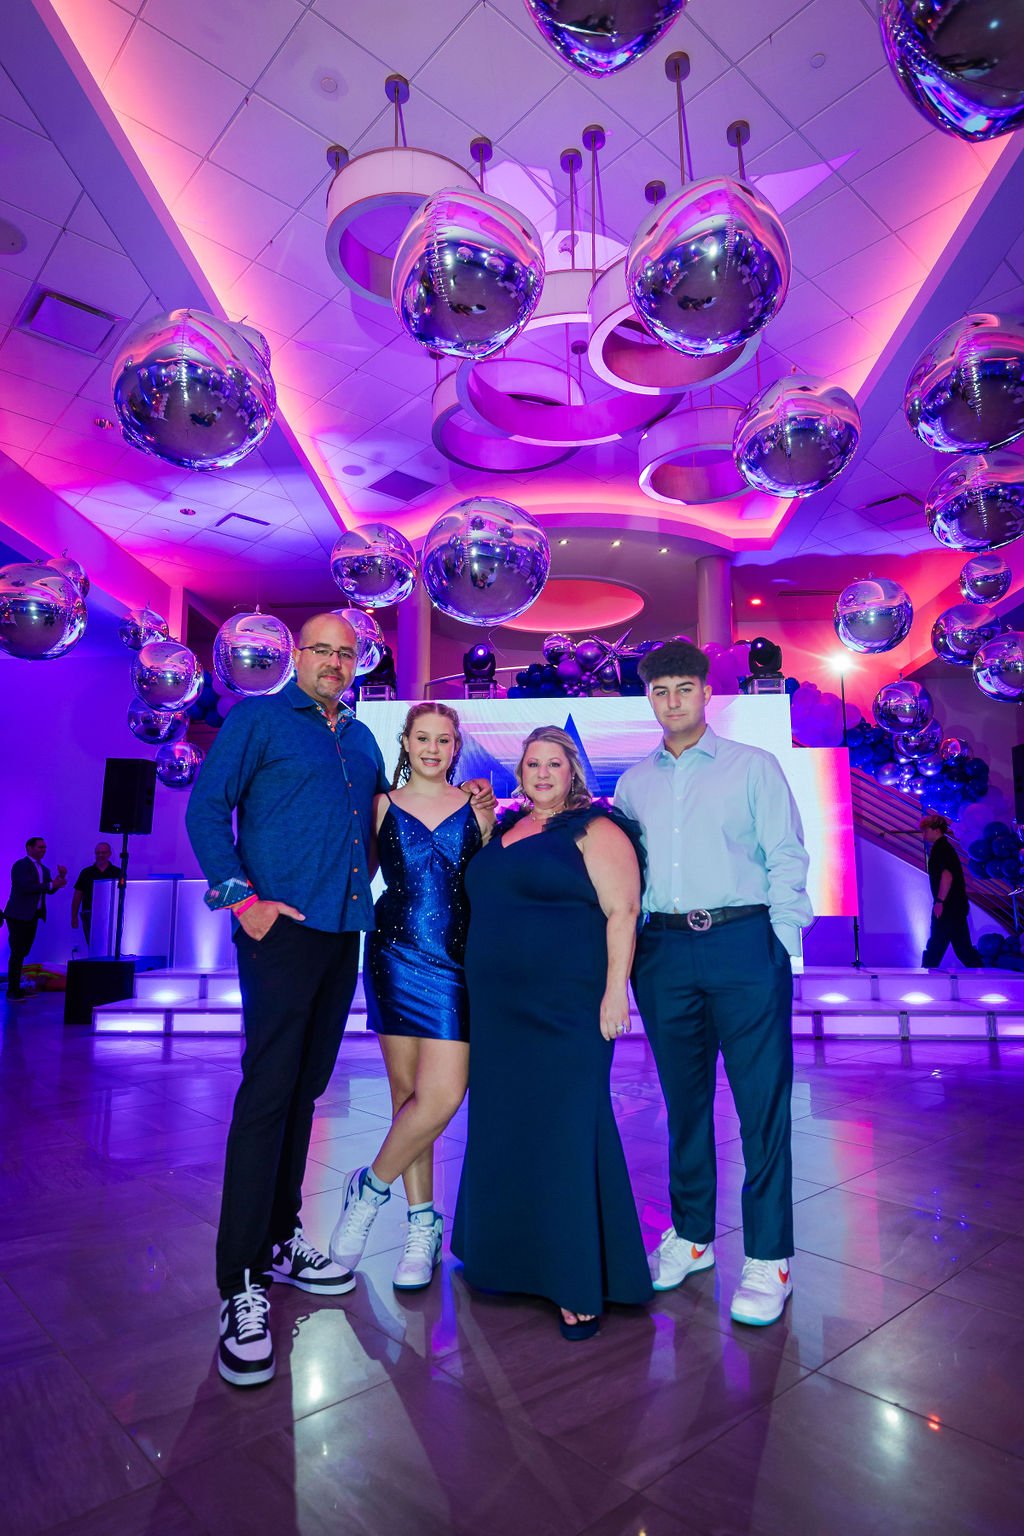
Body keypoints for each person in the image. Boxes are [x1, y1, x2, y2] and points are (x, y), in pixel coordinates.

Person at [614, 640, 812, 1328]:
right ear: (651, 699)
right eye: (661, 691)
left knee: (761, 1107)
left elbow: (785, 853)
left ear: (705, 693)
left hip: (741, 942)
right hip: (664, 953)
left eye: (684, 688)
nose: (673, 701)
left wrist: (782, 949)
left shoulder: (751, 767)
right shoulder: (634, 782)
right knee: (684, 1104)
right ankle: (693, 1235)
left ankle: (770, 1256)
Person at [453, 726, 653, 1341]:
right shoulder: (503, 830)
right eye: (533, 763)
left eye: (555, 764)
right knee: (504, 1126)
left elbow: (623, 912)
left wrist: (615, 990)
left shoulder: (597, 829)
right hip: (497, 1010)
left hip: (566, 1008)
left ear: (574, 772)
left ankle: (577, 1276)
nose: (542, 773)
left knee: (569, 1127)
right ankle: (505, 1259)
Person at [330, 704, 494, 1291]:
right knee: (407, 1098)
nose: (431, 748)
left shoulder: (479, 807)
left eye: (443, 740)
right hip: (393, 955)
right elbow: (357, 876)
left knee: (443, 1095)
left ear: (456, 746)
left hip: (456, 962)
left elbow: (492, 885)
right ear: (406, 741)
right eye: (422, 738)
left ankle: (368, 1188)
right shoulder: (379, 806)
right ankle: (421, 1226)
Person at [4, 837, 67, 1000]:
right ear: (29, 848)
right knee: (17, 952)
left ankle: (16, 986)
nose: (43, 850)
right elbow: (25, 887)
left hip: (32, 915)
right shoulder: (21, 865)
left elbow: (49, 889)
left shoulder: (44, 869)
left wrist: (59, 880)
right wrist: (51, 885)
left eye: (44, 848)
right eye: (40, 847)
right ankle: (12, 990)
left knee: (23, 951)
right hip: (18, 915)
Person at [919, 814, 982, 968]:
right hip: (955, 905)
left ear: (936, 830)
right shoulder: (945, 848)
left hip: (948, 906)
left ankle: (925, 977)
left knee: (937, 944)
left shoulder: (941, 849)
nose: (924, 835)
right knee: (961, 946)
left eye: (925, 830)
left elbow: (947, 876)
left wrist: (940, 902)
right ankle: (981, 973)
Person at [71, 842, 121, 947]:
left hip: (111, 914)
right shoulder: (86, 872)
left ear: (109, 854)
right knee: (93, 945)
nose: (100, 855)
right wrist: (74, 916)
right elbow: (78, 894)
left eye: (103, 852)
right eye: (98, 853)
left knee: (110, 945)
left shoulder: (117, 872)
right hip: (89, 914)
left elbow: (123, 894)